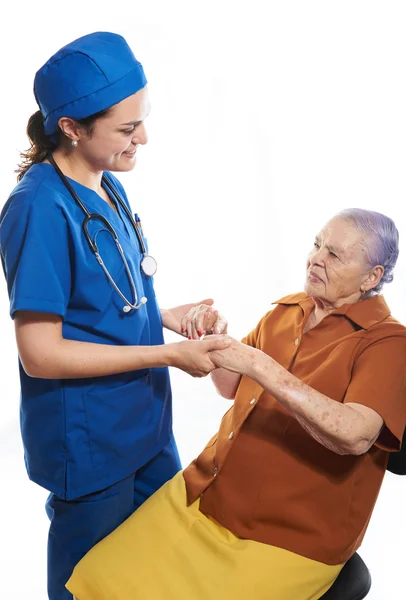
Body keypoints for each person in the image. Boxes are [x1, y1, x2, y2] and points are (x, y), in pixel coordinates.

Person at [66, 208, 406, 600]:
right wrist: (213, 337)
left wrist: (260, 365)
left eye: (335, 255)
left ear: (372, 276)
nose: (316, 258)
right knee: (97, 580)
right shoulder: (289, 311)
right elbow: (230, 384)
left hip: (288, 534)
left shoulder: (387, 342)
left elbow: (356, 435)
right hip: (204, 491)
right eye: (317, 244)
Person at [0, 31, 231, 600]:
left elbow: (108, 300)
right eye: (127, 129)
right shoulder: (38, 209)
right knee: (91, 585)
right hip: (90, 442)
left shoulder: (103, 181)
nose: (144, 139)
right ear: (72, 128)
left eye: (141, 120)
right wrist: (169, 354)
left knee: (157, 569)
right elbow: (41, 353)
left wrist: (172, 317)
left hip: (147, 426)